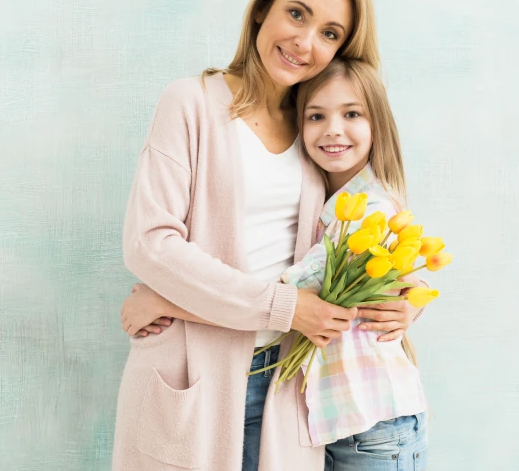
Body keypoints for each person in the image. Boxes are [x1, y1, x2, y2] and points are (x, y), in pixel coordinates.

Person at [112, 0, 388, 471]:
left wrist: (406, 303)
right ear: (263, 9)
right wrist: (283, 309)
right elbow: (152, 244)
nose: (305, 43)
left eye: (330, 33)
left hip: (286, 383)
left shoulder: (316, 127)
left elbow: (371, 226)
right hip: (191, 376)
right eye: (298, 14)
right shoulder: (190, 103)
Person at [123, 58, 430, 470]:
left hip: (374, 425)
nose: (333, 129)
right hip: (339, 422)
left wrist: (164, 302)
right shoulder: (330, 205)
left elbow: (286, 299)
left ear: (379, 125)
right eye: (316, 116)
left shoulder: (365, 213)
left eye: (352, 114)